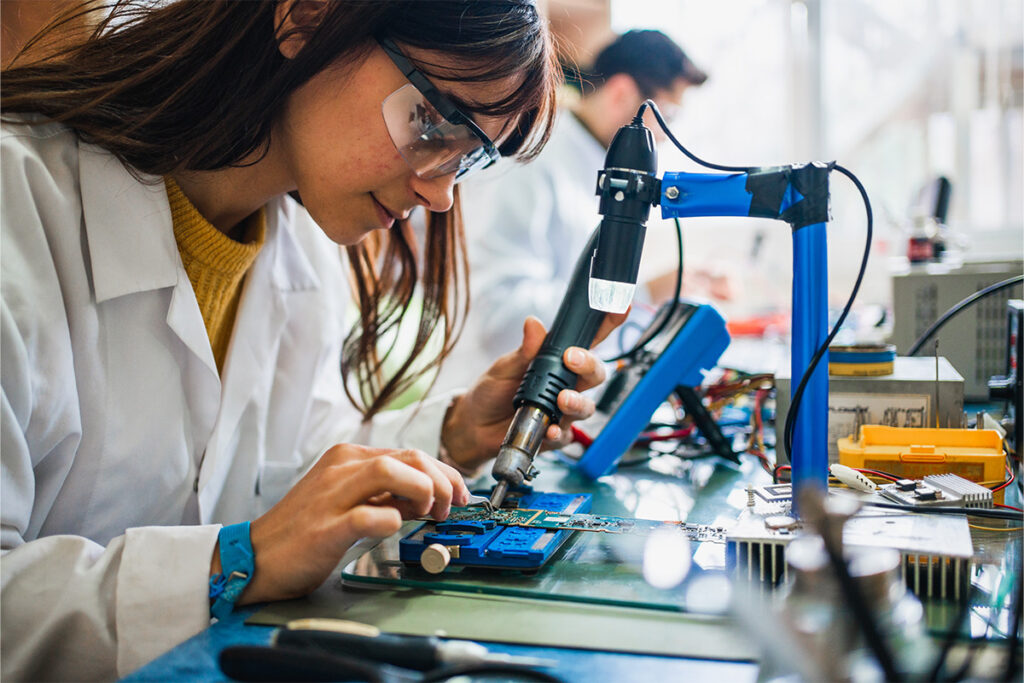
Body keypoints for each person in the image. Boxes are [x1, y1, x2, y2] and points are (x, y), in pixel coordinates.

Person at [0, 2, 622, 679]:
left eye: (467, 158)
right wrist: (238, 558)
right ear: (306, 19)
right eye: (436, 119)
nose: (442, 195)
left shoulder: (299, 256)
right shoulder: (19, 207)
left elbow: (293, 468)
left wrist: (455, 432)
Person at [455, 30, 708, 372]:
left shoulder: (592, 160)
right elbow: (502, 318)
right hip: (490, 393)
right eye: (667, 115)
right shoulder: (529, 159)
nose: (664, 137)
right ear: (621, 93)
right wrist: (643, 293)